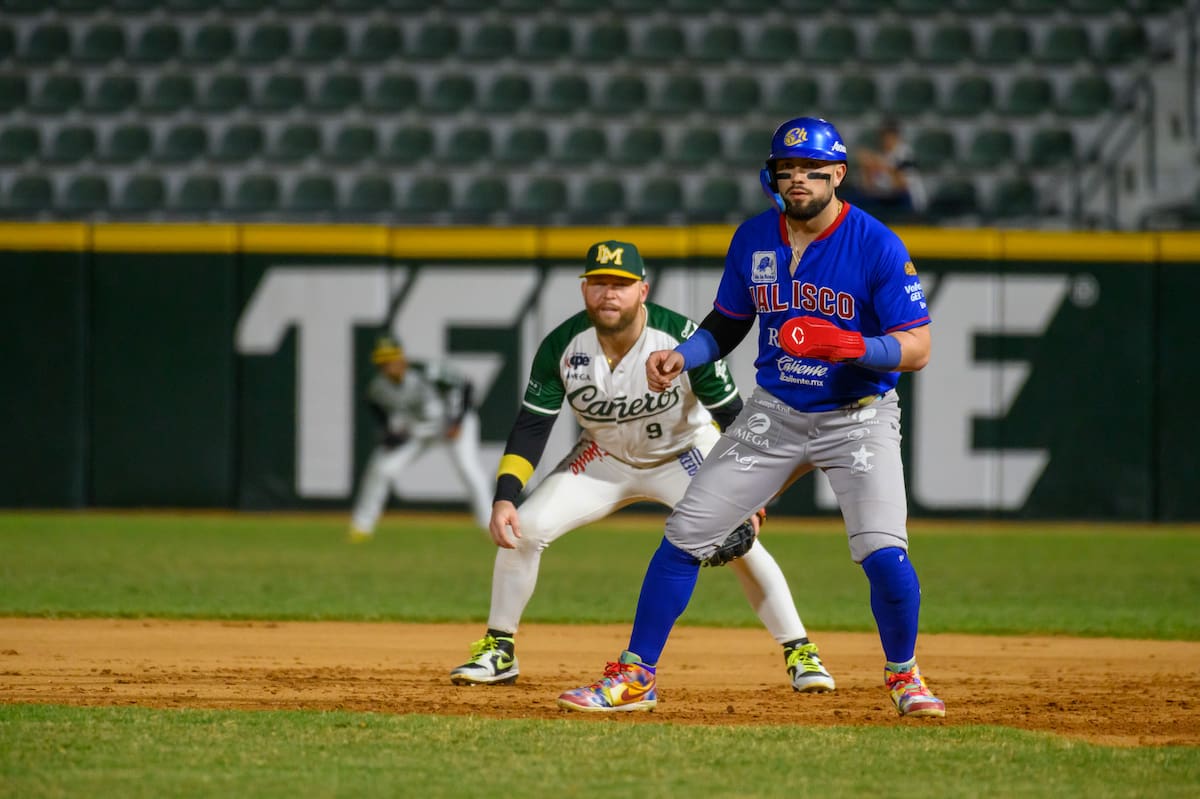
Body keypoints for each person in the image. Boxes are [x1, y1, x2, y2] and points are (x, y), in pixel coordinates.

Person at [557, 118, 944, 718]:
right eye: (787, 170)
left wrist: (851, 347)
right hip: (776, 411)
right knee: (685, 535)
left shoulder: (876, 244)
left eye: (813, 171)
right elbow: (729, 320)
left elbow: (917, 347)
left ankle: (904, 675)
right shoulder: (755, 238)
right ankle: (636, 678)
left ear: (838, 175)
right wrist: (682, 356)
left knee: (882, 551)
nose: (799, 180)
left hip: (859, 415)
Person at [449, 240, 835, 697]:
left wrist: (747, 487)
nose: (608, 294)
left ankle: (799, 651)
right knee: (524, 529)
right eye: (598, 283)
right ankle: (499, 649)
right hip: (603, 457)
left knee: (741, 542)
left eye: (621, 284)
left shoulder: (681, 337)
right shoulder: (563, 345)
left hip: (684, 454)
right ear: (584, 291)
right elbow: (533, 426)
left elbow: (733, 413)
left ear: (643, 291)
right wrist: (505, 496)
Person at [348, 335, 492, 541]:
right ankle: (361, 527)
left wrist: (457, 422)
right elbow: (375, 407)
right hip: (419, 429)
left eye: (392, 359)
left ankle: (489, 523)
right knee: (382, 468)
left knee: (468, 468)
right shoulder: (378, 386)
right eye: (383, 361)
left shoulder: (426, 371)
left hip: (451, 423)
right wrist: (387, 431)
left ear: (402, 358)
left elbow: (466, 385)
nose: (389, 365)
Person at [843, 117, 927, 219]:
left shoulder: (905, 154)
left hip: (906, 202)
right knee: (852, 199)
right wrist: (866, 169)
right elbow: (868, 188)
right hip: (885, 199)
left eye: (889, 135)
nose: (885, 139)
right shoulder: (881, 154)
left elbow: (902, 185)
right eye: (883, 136)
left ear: (896, 136)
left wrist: (879, 164)